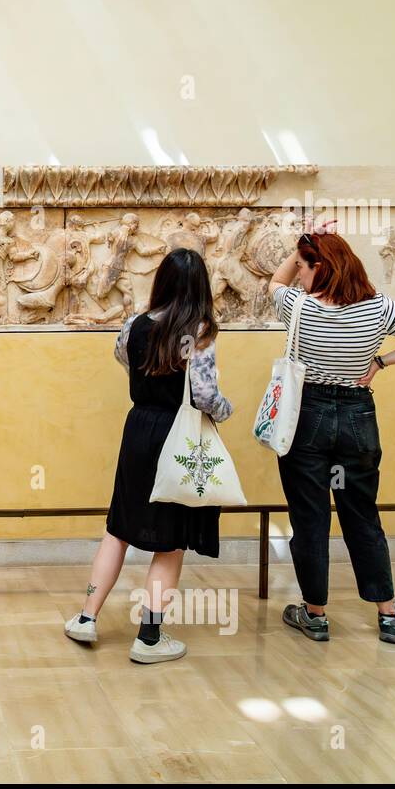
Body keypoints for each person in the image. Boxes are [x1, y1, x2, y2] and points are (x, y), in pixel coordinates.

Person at [268, 219, 395, 644]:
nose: (299, 274)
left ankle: (314, 614)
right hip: (356, 417)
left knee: (309, 518)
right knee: (362, 514)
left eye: (305, 266)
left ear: (316, 266)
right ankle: (387, 613)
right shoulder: (379, 307)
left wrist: (301, 246)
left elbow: (276, 280)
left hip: (306, 416)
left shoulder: (298, 305)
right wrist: (381, 362)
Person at [64, 248, 234, 664]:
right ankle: (150, 637)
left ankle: (86, 618)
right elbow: (206, 395)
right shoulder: (201, 331)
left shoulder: (133, 325)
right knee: (170, 543)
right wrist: (226, 410)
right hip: (175, 434)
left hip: (138, 429)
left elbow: (124, 359)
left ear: (161, 281)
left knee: (118, 528)